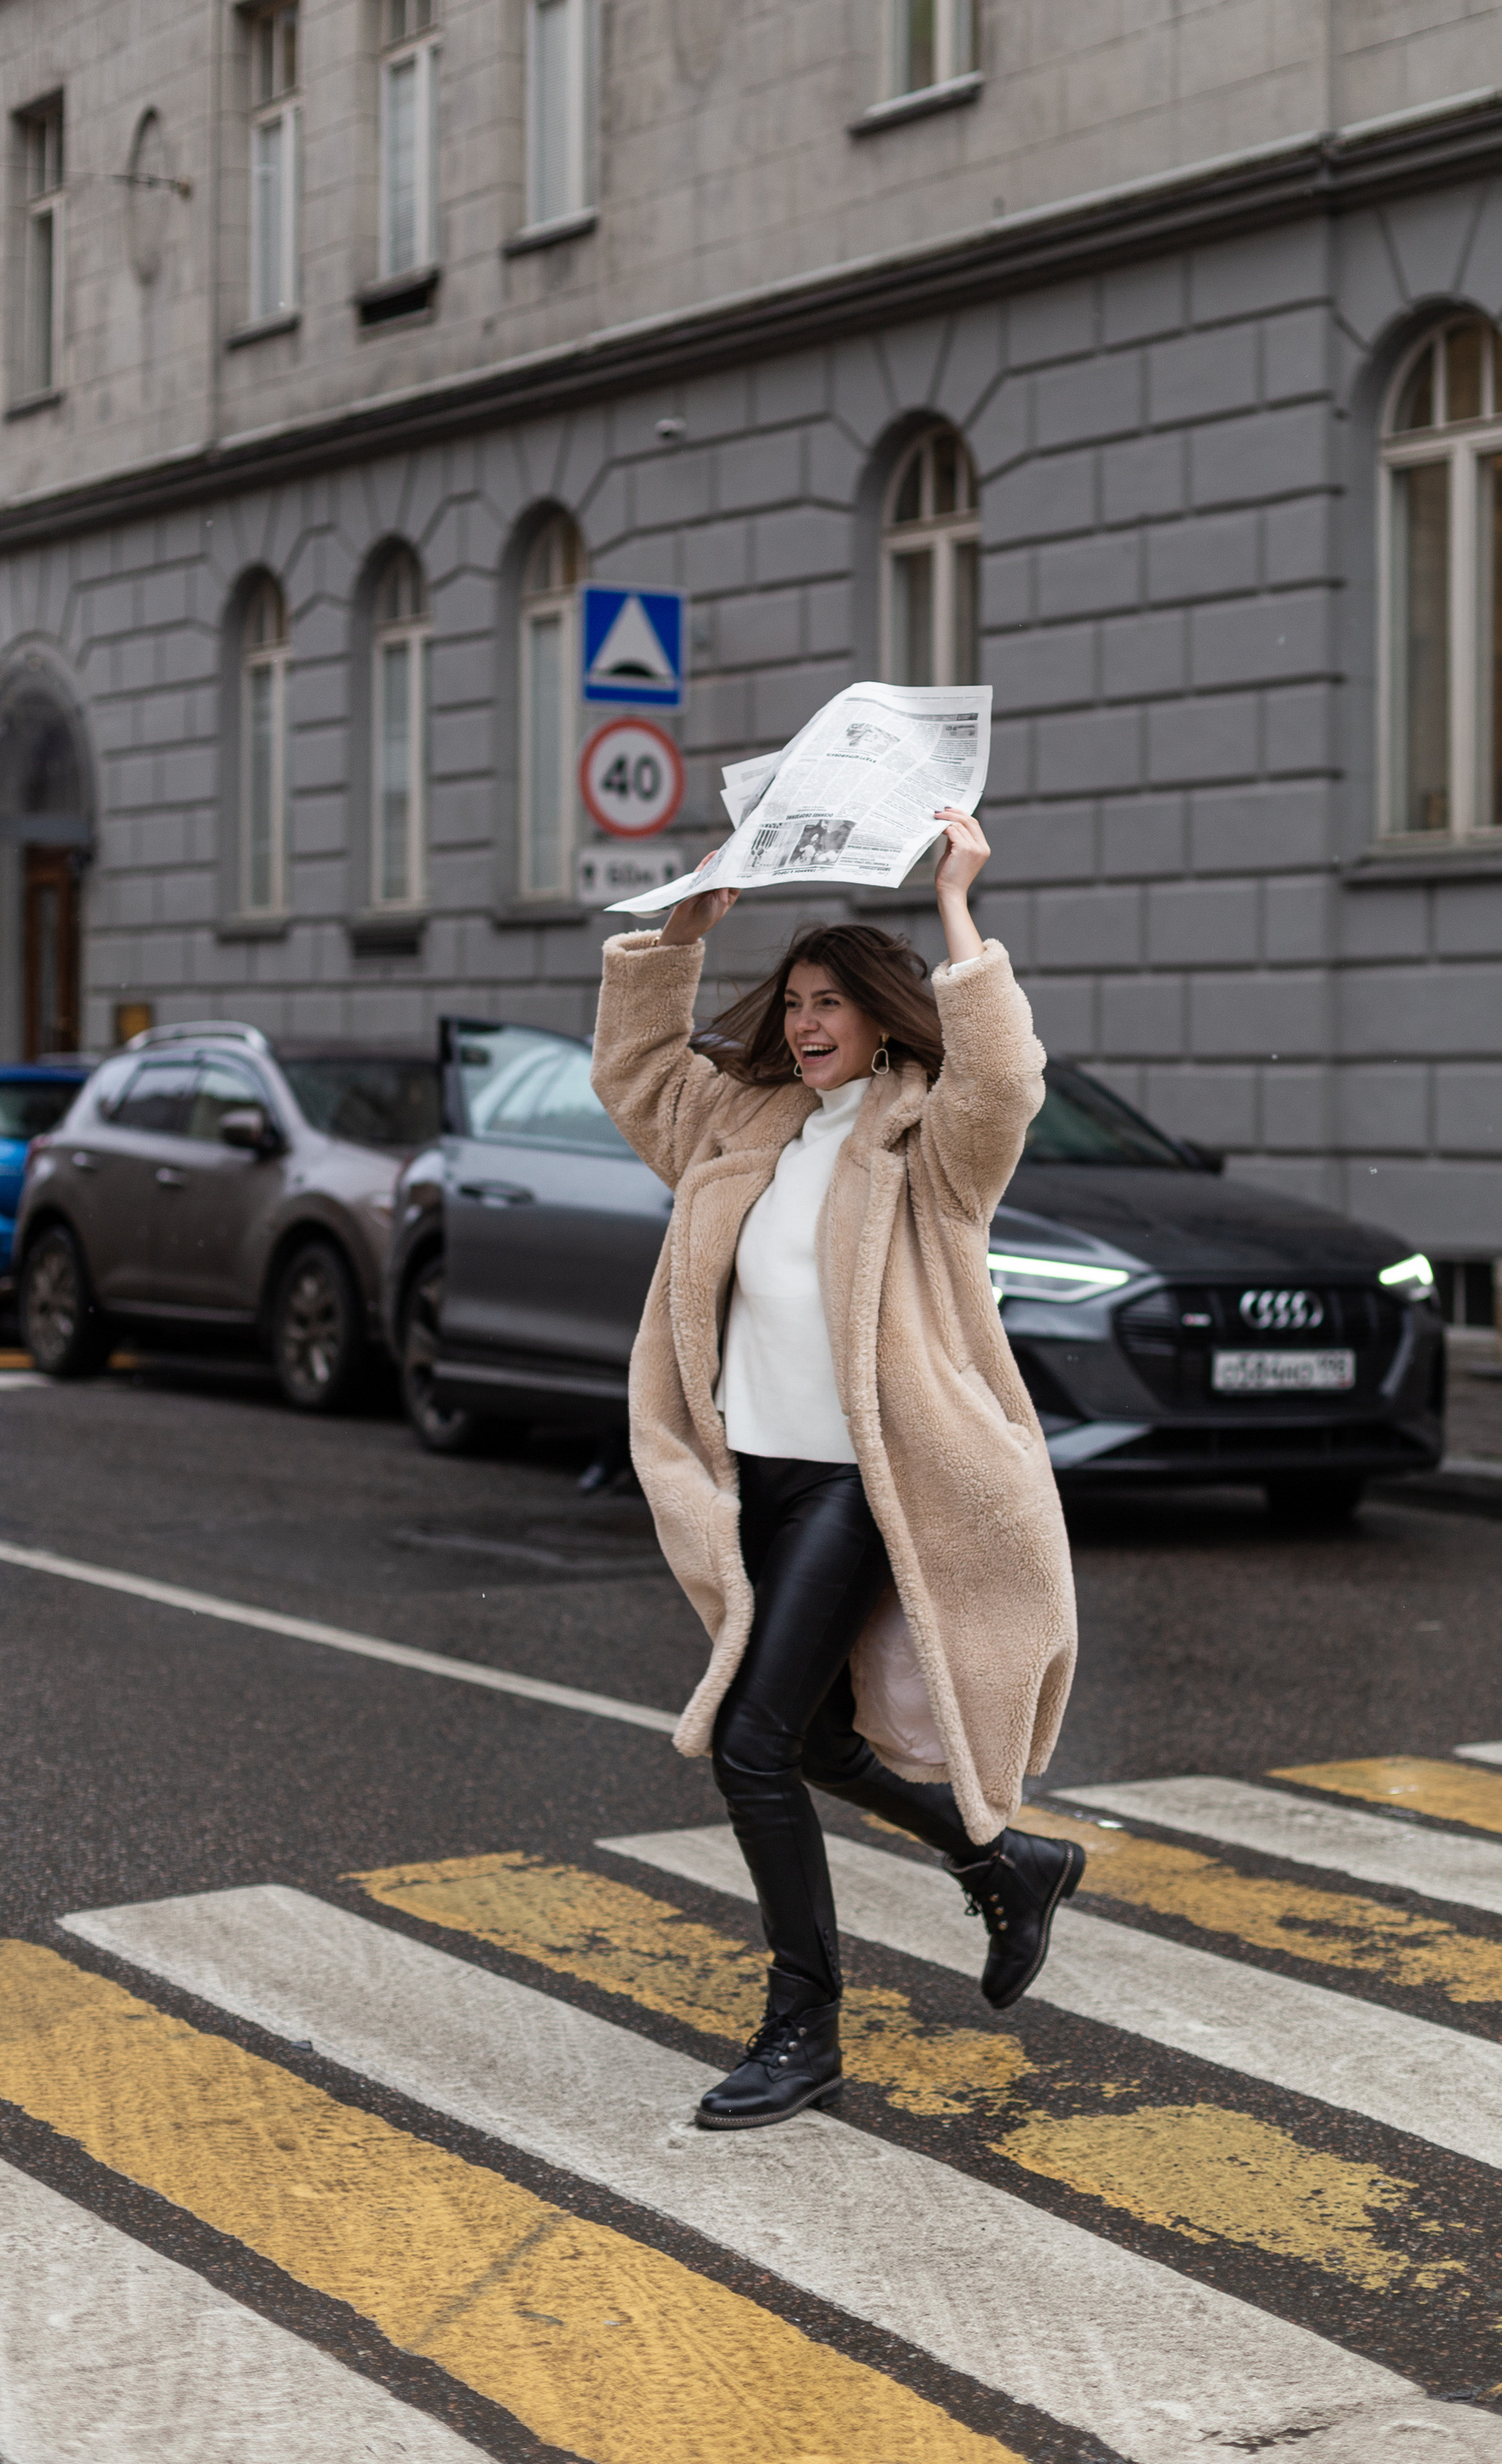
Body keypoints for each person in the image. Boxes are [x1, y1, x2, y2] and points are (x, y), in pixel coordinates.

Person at [591, 808, 1081, 2132]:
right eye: (794, 1002)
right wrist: (677, 945)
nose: (807, 1025)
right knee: (806, 1736)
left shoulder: (928, 1146)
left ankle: (804, 2027)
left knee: (749, 1743)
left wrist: (961, 910)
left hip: (865, 1485)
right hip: (756, 1479)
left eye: (831, 1005)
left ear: (880, 1016)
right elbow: (637, 1074)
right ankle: (1006, 1860)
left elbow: (1006, 1085)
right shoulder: (742, 1122)